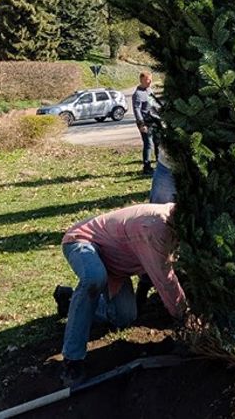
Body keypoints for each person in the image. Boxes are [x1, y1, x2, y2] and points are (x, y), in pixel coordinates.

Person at [60, 203, 187, 383]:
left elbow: (152, 267)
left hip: (116, 264)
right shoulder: (155, 227)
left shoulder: (182, 220)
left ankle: (70, 302)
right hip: (83, 241)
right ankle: (72, 359)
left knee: (124, 317)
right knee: (95, 278)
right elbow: (164, 279)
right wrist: (186, 318)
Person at [132, 72, 160, 174]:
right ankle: (146, 167)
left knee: (158, 142)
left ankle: (159, 164)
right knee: (148, 144)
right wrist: (141, 124)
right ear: (142, 80)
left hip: (154, 121)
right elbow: (136, 109)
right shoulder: (137, 94)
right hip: (145, 123)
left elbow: (154, 104)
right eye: (148, 79)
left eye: (151, 79)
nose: (150, 81)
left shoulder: (149, 90)